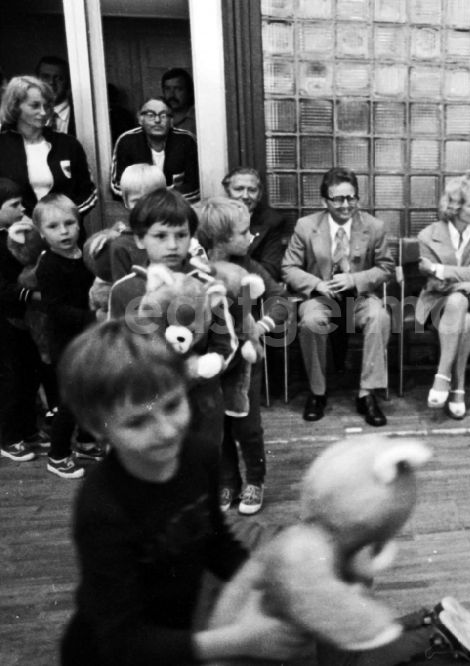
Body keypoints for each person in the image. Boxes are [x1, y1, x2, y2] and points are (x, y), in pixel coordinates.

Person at [57, 320, 308, 665]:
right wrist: (238, 640)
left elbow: (215, 541)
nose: (165, 431)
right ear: (96, 426)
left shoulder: (199, 455)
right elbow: (122, 639)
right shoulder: (102, 508)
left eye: (173, 405)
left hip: (180, 633)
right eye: (137, 422)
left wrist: (264, 579)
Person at [109, 188, 237, 456]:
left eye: (181, 235)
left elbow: (225, 343)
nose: (172, 245)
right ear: (141, 239)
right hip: (147, 405)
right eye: (160, 236)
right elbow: (115, 349)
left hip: (201, 402)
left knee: (201, 471)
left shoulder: (206, 285)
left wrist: (204, 366)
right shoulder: (124, 290)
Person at [195, 197, 289, 515]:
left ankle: (255, 480)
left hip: (244, 362)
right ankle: (227, 480)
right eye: (244, 232)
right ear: (220, 239)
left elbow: (279, 297)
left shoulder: (250, 266)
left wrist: (262, 325)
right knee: (216, 426)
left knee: (247, 427)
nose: (252, 238)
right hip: (209, 362)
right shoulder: (197, 269)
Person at [282, 166, 394, 425]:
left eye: (351, 198)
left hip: (359, 299)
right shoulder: (306, 226)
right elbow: (288, 268)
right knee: (310, 322)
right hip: (320, 298)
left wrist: (355, 279)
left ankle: (367, 393)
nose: (346, 205)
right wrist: (316, 284)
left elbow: (386, 268)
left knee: (380, 317)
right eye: (338, 199)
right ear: (325, 200)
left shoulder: (373, 226)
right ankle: (317, 392)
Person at [415, 173, 470, 420]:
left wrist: (437, 268)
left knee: (466, 313)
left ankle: (443, 377)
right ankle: (457, 389)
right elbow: (435, 284)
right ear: (455, 207)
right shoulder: (427, 235)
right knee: (461, 309)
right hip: (438, 303)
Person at [34, 194, 97, 479]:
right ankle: (58, 455)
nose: (64, 231)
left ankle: (85, 441)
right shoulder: (48, 264)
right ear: (41, 232)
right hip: (65, 344)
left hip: (87, 339)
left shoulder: (83, 255)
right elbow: (55, 309)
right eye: (54, 226)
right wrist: (91, 318)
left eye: (70, 223)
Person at [0, 76, 97, 220]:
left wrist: (65, 217)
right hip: (19, 233)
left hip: (65, 232)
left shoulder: (68, 144)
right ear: (15, 106)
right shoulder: (3, 146)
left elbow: (89, 192)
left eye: (47, 106)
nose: (43, 112)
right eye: (35, 106)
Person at [0, 178, 47, 463]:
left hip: (24, 319)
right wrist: (31, 294)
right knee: (12, 379)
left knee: (30, 374)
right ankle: (8, 436)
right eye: (14, 205)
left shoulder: (16, 233)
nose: (22, 209)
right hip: (6, 320)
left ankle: (28, 429)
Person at [110, 97, 199, 203]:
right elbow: (117, 185)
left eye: (163, 115)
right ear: (140, 119)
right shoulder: (127, 141)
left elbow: (195, 186)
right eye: (150, 115)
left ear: (171, 120)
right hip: (139, 207)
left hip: (177, 207)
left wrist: (162, 200)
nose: (157, 120)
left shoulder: (186, 140)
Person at [222, 166, 289, 281]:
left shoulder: (272, 221)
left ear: (260, 194)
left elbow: (271, 269)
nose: (245, 196)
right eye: (238, 189)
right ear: (227, 191)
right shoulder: (216, 217)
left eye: (252, 190)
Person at [107, 163, 167, 281]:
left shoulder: (175, 234)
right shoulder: (120, 246)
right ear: (126, 202)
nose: (145, 206)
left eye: (152, 199)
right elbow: (122, 291)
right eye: (137, 201)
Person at [36, 56, 73, 135]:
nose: (51, 82)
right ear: (36, 81)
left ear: (68, 83)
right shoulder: (23, 115)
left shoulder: (82, 116)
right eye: (45, 77)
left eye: (59, 78)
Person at [162, 67, 196, 135]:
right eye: (167, 89)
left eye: (178, 89)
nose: (171, 94)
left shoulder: (198, 118)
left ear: (189, 92)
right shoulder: (158, 117)